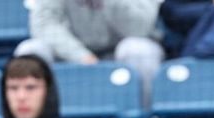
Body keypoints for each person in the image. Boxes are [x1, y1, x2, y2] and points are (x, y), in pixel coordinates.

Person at [15, 0, 164, 108]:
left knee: (137, 50)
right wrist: (81, 56)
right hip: (70, 54)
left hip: (120, 55)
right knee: (30, 50)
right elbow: (44, 25)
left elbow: (139, 28)